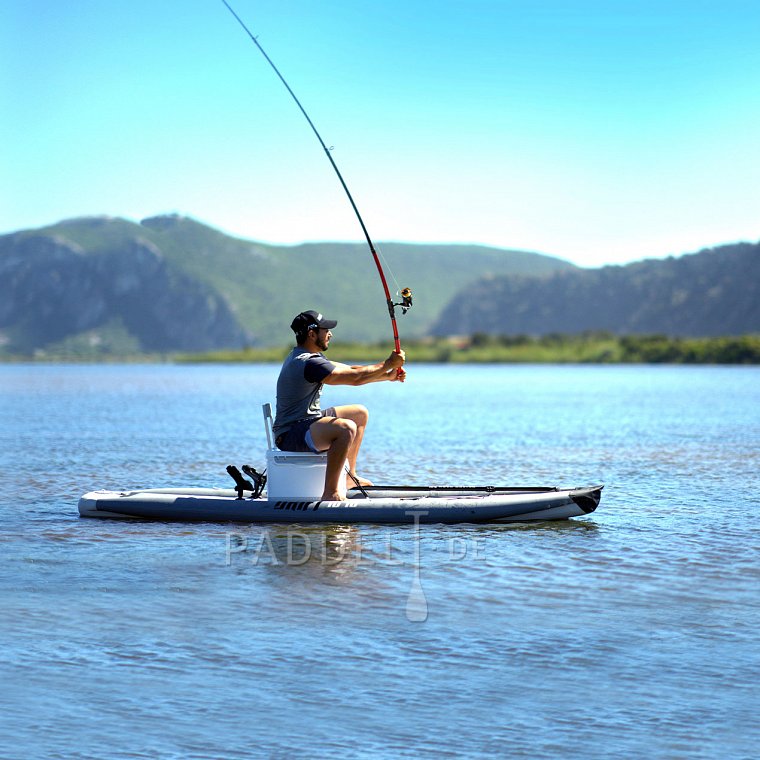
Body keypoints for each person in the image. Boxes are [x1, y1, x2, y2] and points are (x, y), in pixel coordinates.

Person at [273, 310, 406, 501]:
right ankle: (331, 493)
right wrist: (387, 364)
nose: (330, 334)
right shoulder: (308, 363)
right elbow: (355, 379)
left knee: (359, 414)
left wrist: (387, 375)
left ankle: (349, 477)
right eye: (325, 330)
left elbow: (353, 370)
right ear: (312, 334)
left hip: (306, 421)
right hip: (290, 433)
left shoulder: (309, 356)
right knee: (346, 428)